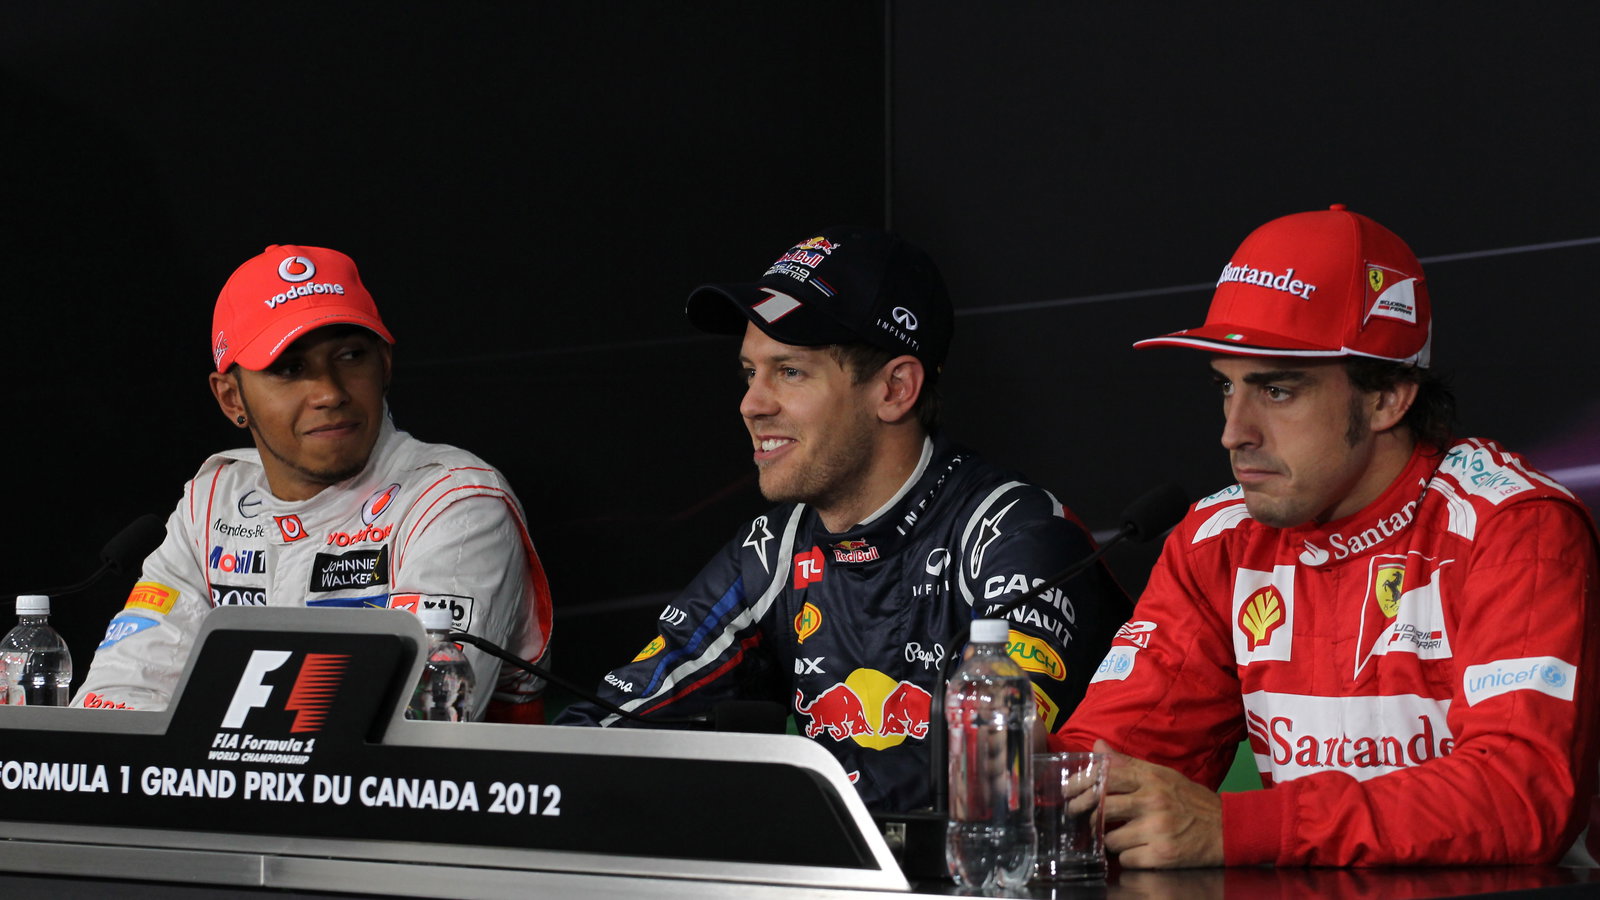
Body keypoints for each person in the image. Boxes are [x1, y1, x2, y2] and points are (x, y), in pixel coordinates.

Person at [1053, 206, 1600, 866]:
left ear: (1388, 398)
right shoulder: (1218, 542)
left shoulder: (1511, 529)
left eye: (1277, 390)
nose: (1234, 431)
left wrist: (1239, 828)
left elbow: (1519, 796)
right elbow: (1113, 764)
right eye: (1225, 389)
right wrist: (1022, 771)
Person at [555, 226, 1131, 812]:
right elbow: (622, 714)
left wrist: (777, 799)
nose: (751, 404)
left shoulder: (1016, 535)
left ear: (895, 389)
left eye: (790, 371)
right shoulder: (775, 551)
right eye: (749, 373)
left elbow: (996, 759)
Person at [73, 244, 553, 723]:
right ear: (230, 397)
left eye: (349, 355)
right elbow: (120, 699)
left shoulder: (456, 501)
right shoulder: (212, 504)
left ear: (384, 364)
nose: (329, 392)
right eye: (290, 368)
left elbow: (413, 722)